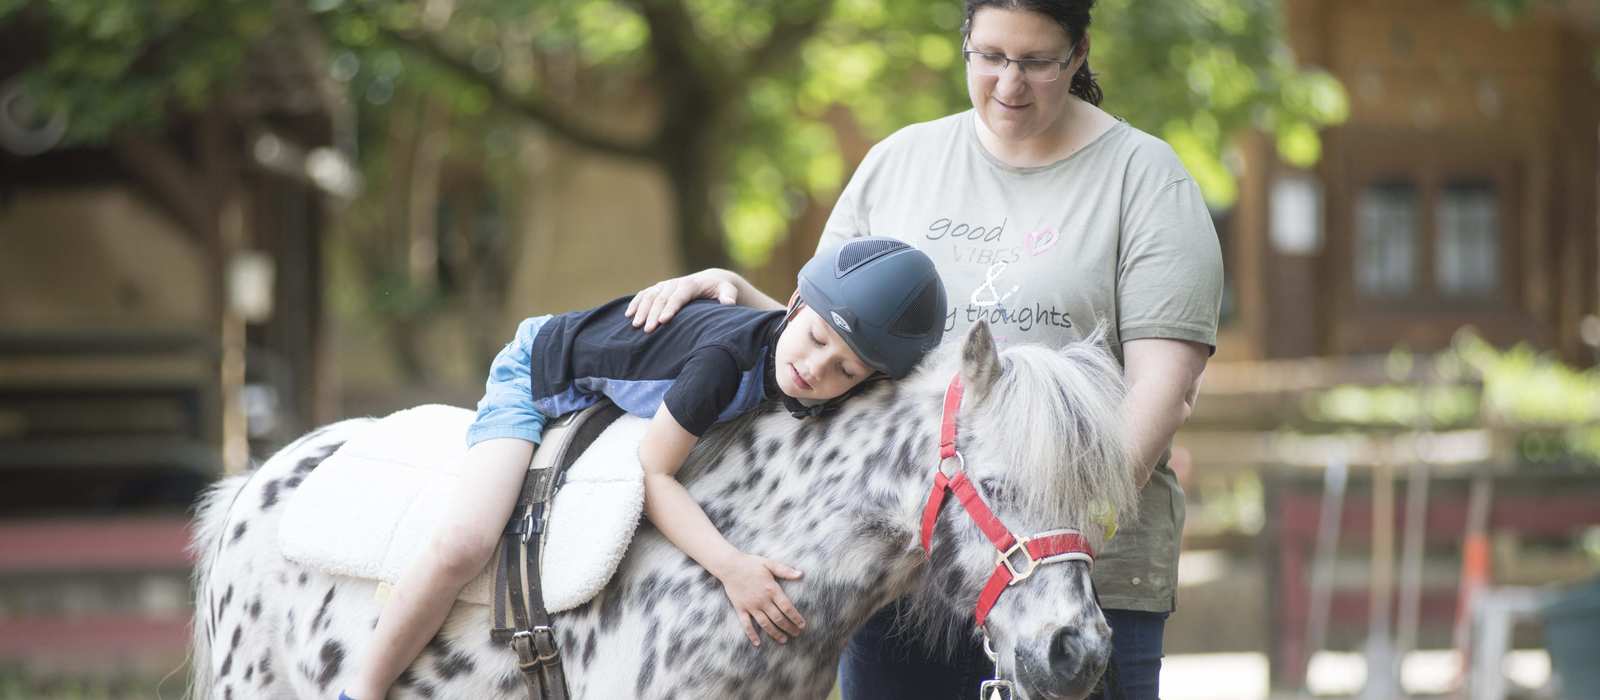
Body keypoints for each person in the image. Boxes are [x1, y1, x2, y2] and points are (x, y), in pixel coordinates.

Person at [623, 0, 1223, 697]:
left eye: (1035, 62)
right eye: (990, 56)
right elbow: (824, 350)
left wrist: (1058, 543)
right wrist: (736, 298)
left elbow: (1163, 389)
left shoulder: (1146, 180)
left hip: (1074, 586)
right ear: (965, 42)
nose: (1009, 84)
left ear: (1080, 52)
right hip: (902, 582)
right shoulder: (899, 164)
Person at [341, 237, 948, 700]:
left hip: (642, 371)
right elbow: (652, 474)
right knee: (464, 542)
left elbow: (812, 340)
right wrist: (731, 567)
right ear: (793, 306)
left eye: (845, 370)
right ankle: (361, 688)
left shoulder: (797, 347)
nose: (817, 371)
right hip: (538, 373)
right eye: (815, 339)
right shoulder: (720, 364)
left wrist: (724, 277)